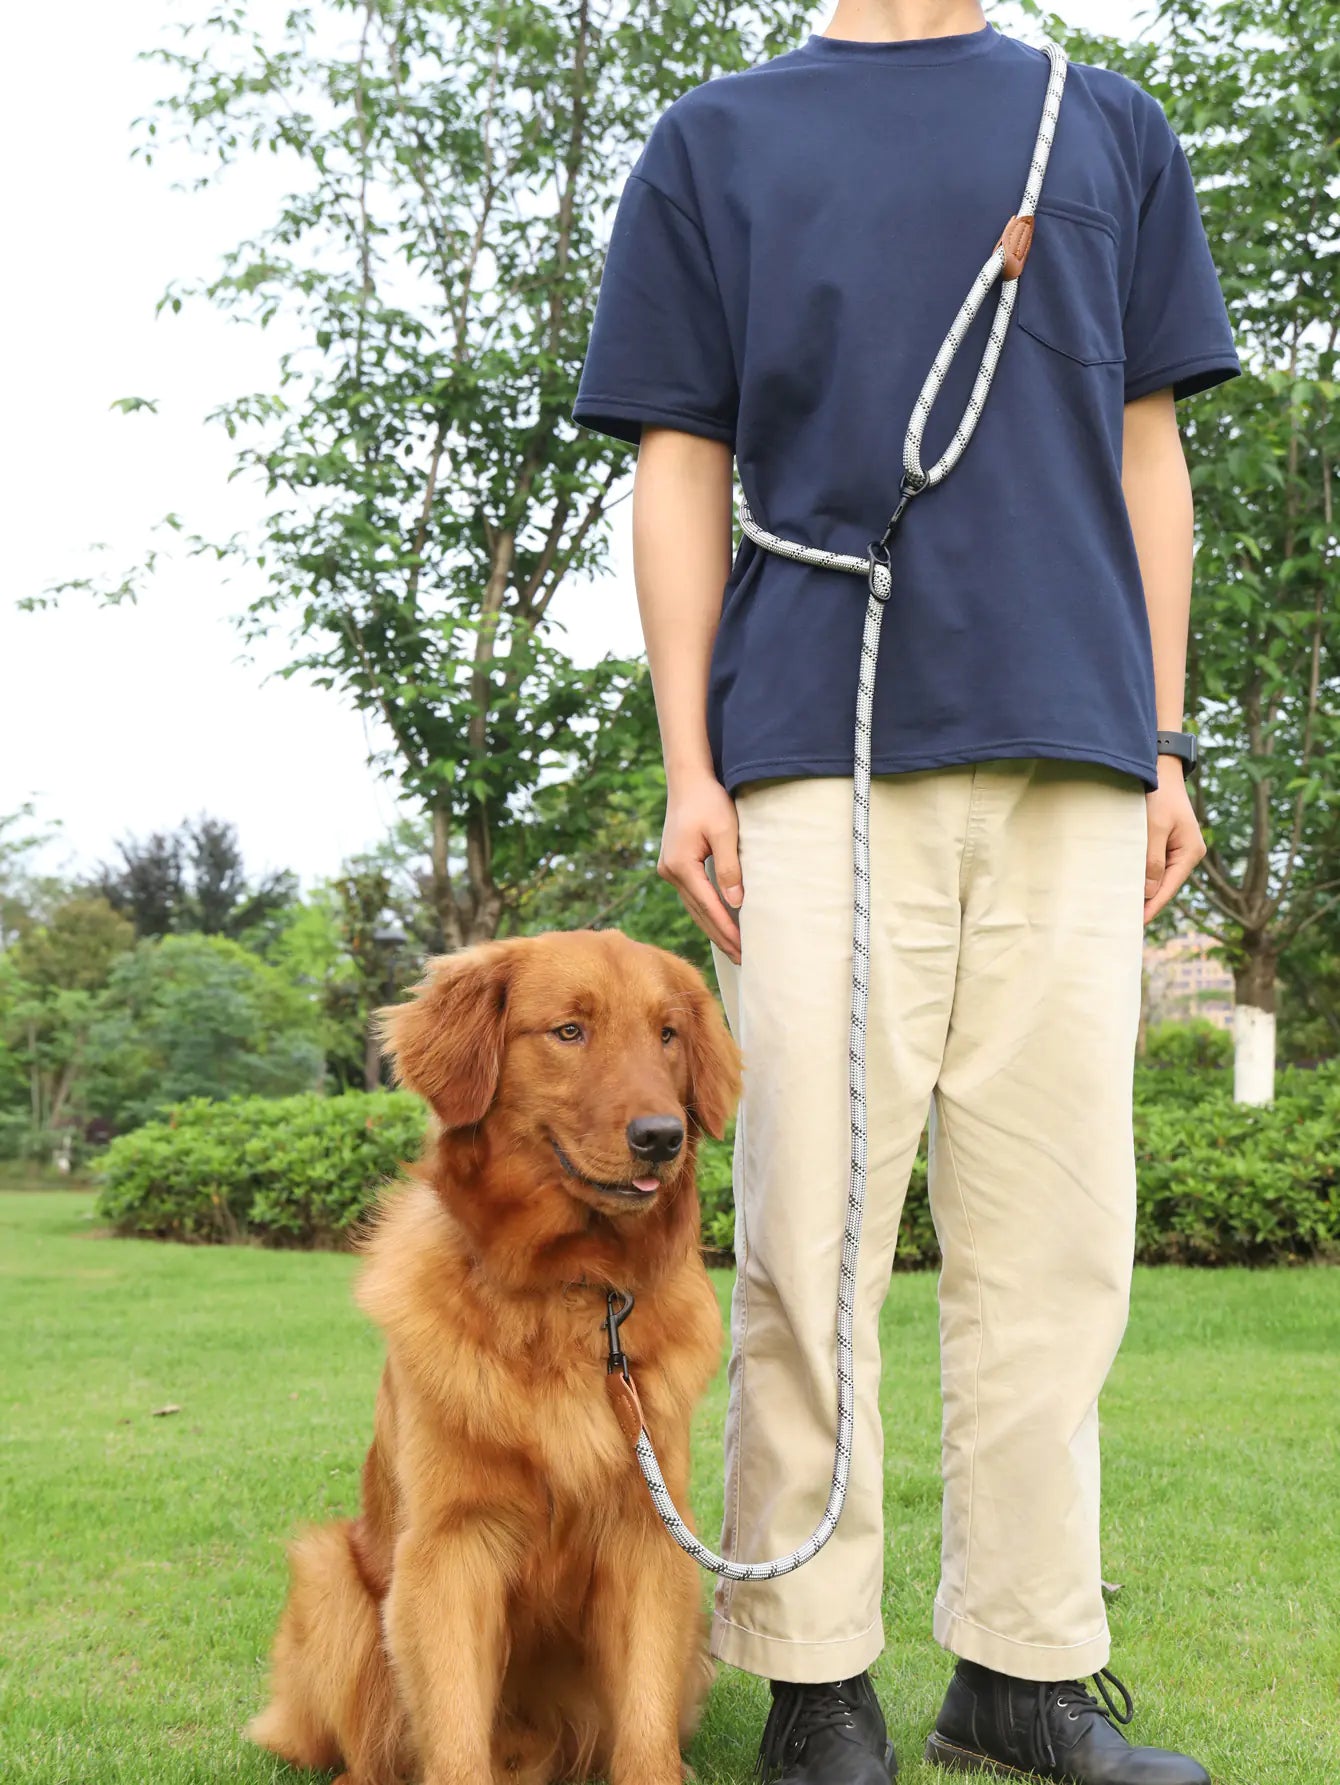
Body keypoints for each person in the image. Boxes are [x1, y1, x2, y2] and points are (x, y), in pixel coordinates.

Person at [571, 1, 1239, 1780]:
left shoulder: (1104, 123)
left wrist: (1167, 736)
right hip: (812, 749)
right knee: (809, 1231)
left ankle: (1024, 1669)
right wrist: (691, 763)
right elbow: (680, 464)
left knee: (1057, 1241)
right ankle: (814, 1681)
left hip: (1077, 754)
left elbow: (1148, 444)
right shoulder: (716, 139)